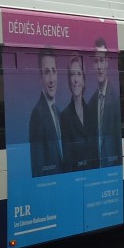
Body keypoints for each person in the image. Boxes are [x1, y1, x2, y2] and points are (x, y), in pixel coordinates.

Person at [28, 49, 64, 177]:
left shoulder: (58, 112)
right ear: (40, 78)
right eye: (47, 72)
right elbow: (38, 167)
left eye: (54, 71)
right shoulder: (37, 114)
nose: (51, 79)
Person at [88, 37, 122, 167]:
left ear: (107, 62)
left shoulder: (116, 97)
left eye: (102, 61)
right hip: (97, 168)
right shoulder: (91, 103)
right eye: (96, 61)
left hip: (114, 167)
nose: (99, 67)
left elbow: (118, 138)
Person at [60, 54, 95, 172]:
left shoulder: (92, 112)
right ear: (69, 80)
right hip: (75, 175)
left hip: (93, 174)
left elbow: (96, 151)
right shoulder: (64, 116)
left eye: (79, 74)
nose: (75, 80)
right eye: (72, 74)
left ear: (84, 80)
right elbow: (67, 158)